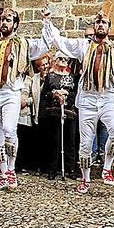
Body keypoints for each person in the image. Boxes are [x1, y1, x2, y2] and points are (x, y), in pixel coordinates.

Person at [43, 11, 114, 193]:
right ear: (94, 25)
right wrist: (48, 21)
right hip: (88, 99)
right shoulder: (83, 46)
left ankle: (107, 168)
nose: (100, 25)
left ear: (108, 27)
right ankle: (85, 178)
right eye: (98, 22)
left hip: (106, 98)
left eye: (104, 22)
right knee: (86, 143)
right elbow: (61, 42)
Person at [0, 5, 51, 190]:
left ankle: (11, 170)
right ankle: (4, 174)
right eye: (2, 19)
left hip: (11, 92)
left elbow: (45, 44)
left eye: (8, 19)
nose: (4, 23)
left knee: (9, 130)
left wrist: (46, 21)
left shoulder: (24, 44)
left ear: (15, 24)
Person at [38, 51, 78, 180]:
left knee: (70, 141)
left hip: (69, 112)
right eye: (60, 58)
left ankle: (71, 169)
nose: (63, 61)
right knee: (55, 141)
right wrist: (54, 94)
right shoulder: (50, 76)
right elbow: (45, 94)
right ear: (55, 60)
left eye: (65, 59)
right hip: (54, 111)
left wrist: (66, 94)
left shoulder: (73, 76)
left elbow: (76, 93)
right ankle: (52, 169)